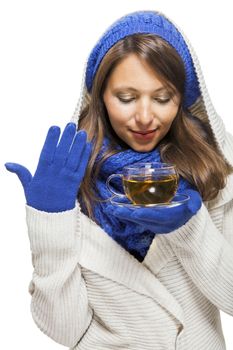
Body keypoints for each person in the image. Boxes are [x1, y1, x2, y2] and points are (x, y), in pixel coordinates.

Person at [5, 9, 233, 350]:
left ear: (182, 99)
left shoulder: (210, 171)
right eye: (126, 98)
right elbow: (67, 331)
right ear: (99, 98)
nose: (145, 117)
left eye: (162, 98)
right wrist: (50, 227)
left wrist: (190, 229)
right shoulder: (71, 181)